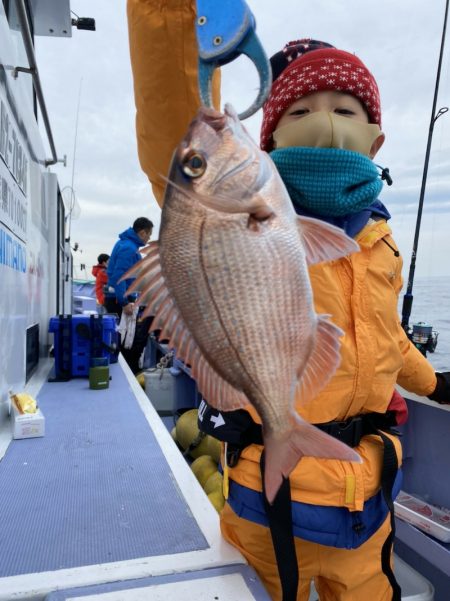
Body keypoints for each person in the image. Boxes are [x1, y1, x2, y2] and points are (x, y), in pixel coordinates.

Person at [126, 3, 450, 600]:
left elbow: (383, 339)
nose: (324, 122)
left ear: (375, 138)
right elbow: (178, 120)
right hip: (268, 504)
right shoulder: (224, 204)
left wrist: (434, 383)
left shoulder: (378, 236)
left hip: (368, 502)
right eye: (300, 109)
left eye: (344, 110)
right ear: (269, 135)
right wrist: (175, 15)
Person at [105, 217, 154, 373]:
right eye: (149, 234)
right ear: (142, 232)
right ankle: (128, 373)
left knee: (126, 340)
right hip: (119, 300)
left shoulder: (127, 245)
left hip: (121, 298)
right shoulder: (129, 248)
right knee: (128, 342)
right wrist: (125, 302)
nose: (149, 238)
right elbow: (120, 277)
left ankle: (125, 371)